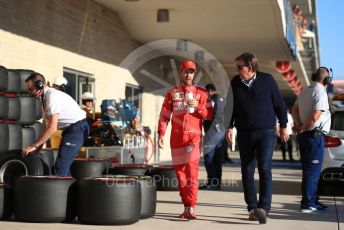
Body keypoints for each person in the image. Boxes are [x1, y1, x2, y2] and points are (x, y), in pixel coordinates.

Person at [226, 52, 289, 224]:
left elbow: (279, 105)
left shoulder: (267, 80)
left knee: (264, 169)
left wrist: (284, 126)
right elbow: (230, 107)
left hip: (266, 133)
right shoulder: (235, 83)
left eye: (240, 67)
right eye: (236, 67)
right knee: (246, 171)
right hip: (245, 133)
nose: (237, 70)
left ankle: (264, 208)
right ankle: (253, 208)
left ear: (251, 67)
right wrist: (229, 127)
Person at [158, 59, 213, 219]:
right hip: (176, 138)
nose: (189, 75)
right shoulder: (172, 92)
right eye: (186, 71)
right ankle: (186, 205)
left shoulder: (202, 93)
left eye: (192, 72)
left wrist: (198, 106)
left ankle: (191, 207)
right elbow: (164, 115)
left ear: (194, 74)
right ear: (181, 72)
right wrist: (161, 133)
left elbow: (209, 115)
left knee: (191, 172)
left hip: (193, 138)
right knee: (180, 175)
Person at [21, 72, 89, 176]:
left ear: (40, 85)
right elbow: (45, 128)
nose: (30, 92)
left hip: (77, 128)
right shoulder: (44, 99)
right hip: (71, 130)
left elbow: (52, 128)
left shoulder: (52, 96)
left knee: (60, 168)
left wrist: (34, 145)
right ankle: (74, 190)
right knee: (61, 168)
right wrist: (35, 151)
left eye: (31, 89)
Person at [291, 67, 332, 213]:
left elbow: (294, 109)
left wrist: (297, 125)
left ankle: (313, 199)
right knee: (312, 171)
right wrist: (302, 127)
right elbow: (315, 116)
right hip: (314, 135)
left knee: (309, 169)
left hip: (306, 136)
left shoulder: (305, 90)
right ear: (327, 80)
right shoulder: (320, 92)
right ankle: (308, 203)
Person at [200, 83, 227, 190]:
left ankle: (211, 181)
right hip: (221, 132)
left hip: (212, 131)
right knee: (217, 158)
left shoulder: (212, 99)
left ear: (209, 91)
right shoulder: (223, 100)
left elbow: (213, 113)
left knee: (209, 157)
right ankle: (217, 182)